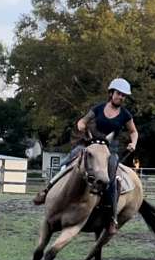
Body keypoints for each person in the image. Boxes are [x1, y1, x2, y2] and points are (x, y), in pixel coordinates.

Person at [33, 78, 138, 236]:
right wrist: (81, 125)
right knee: (66, 161)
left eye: (124, 95)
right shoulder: (99, 108)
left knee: (111, 178)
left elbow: (133, 132)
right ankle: (46, 191)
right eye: (119, 94)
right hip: (91, 144)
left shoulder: (125, 115)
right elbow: (82, 121)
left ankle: (112, 218)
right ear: (111, 93)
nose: (121, 97)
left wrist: (133, 143)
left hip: (110, 150)